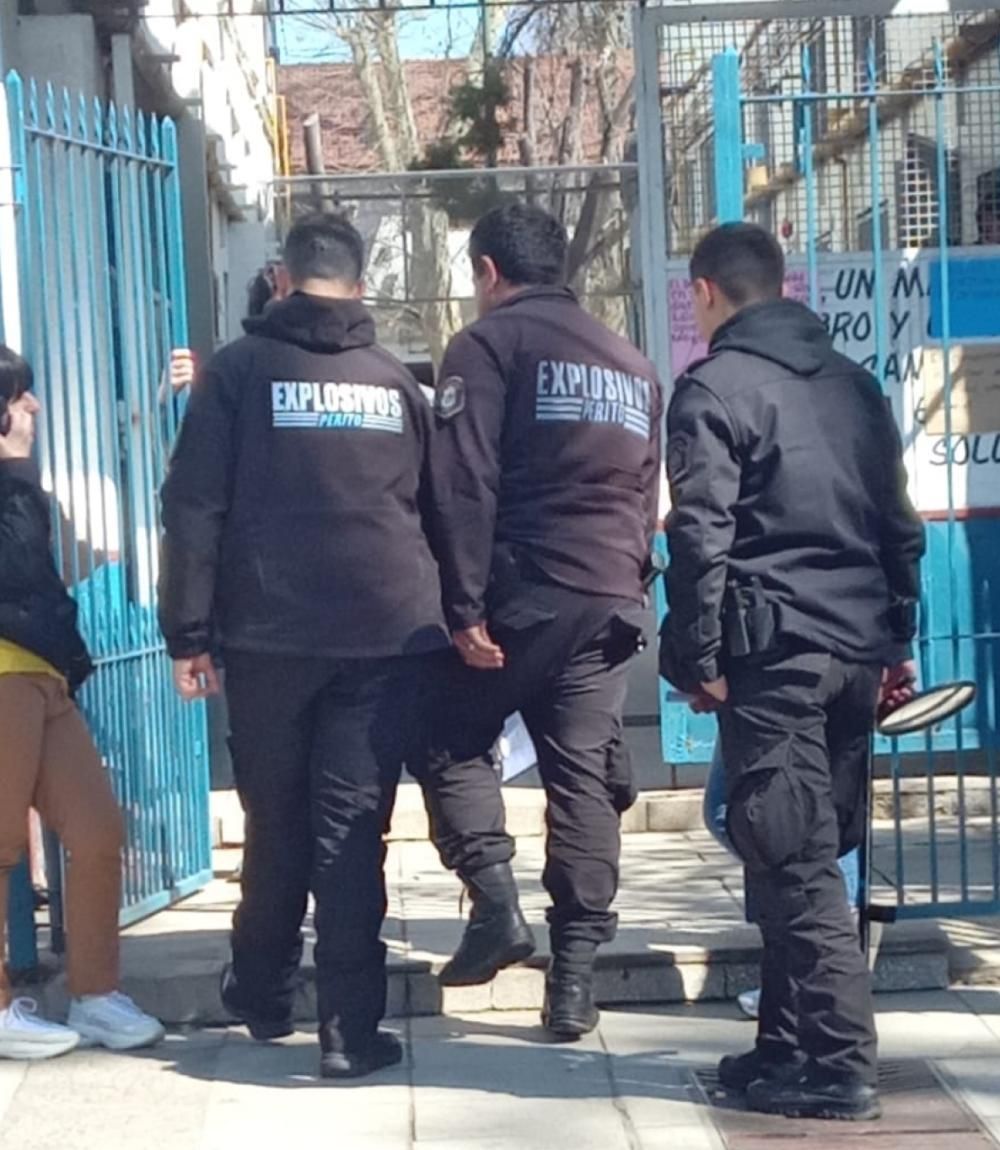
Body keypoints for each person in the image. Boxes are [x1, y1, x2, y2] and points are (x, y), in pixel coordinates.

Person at [158, 214, 450, 1080]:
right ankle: (349, 1032)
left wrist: (188, 634)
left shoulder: (237, 373)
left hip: (268, 637)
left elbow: (193, 505)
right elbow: (441, 510)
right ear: (359, 287)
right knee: (352, 828)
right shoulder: (396, 382)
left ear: (282, 279)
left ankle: (261, 989)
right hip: (383, 633)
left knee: (275, 820)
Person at [659, 222, 925, 1121]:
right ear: (783, 286)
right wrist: (897, 639)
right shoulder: (854, 384)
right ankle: (783, 1045)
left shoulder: (713, 390)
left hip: (775, 658)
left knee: (797, 861)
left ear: (704, 293)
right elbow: (899, 523)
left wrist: (696, 659)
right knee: (791, 851)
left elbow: (701, 536)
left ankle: (842, 1066)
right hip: (855, 651)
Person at [423, 202, 662, 1040]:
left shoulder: (488, 345)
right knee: (583, 779)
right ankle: (575, 981)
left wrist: (464, 607)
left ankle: (494, 902)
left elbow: (463, 483)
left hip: (525, 593)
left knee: (446, 734)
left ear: (489, 272)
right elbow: (645, 494)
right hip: (612, 597)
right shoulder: (631, 363)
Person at [0, 347, 165, 1060]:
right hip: (4, 673)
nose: (34, 407)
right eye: (19, 396)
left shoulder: (20, 486)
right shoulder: (12, 483)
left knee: (97, 829)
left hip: (44, 673)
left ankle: (96, 994)